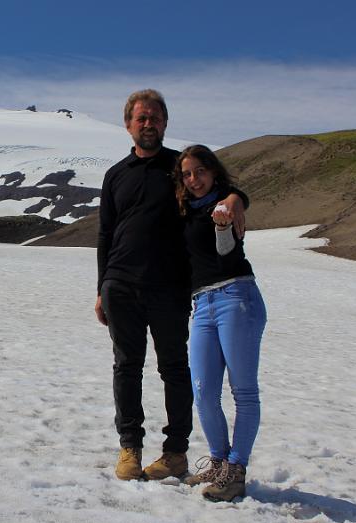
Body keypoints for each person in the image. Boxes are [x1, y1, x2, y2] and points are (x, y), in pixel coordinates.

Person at [95, 89, 247, 482]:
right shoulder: (115, 175)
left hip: (169, 287)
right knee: (126, 367)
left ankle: (175, 452)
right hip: (121, 285)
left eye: (156, 117)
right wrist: (101, 288)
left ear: (165, 122)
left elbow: (216, 188)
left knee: (175, 369)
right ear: (128, 124)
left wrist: (236, 198)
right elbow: (105, 234)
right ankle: (129, 447)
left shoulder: (178, 169)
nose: (149, 124)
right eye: (141, 118)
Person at [172, 145, 266, 501]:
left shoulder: (224, 207)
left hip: (236, 299)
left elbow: (226, 253)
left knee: (242, 390)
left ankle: (236, 471)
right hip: (203, 305)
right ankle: (218, 460)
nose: (194, 179)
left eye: (200, 171)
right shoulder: (185, 211)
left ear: (213, 172)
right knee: (204, 392)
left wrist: (225, 219)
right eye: (187, 174)